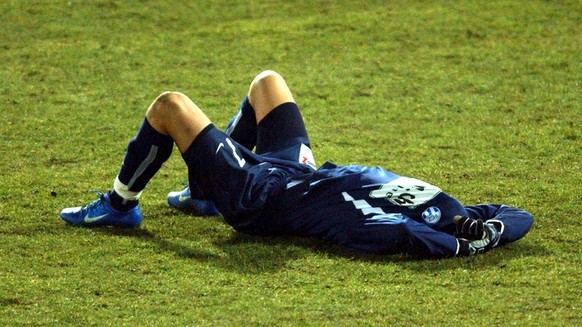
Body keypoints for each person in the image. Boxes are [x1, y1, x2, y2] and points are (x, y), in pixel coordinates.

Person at [60, 70, 533, 258]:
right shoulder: (454, 208)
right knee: (267, 83)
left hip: (261, 198)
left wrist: (457, 247)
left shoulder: (389, 224)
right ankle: (203, 194)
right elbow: (519, 217)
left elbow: (401, 236)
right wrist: (484, 230)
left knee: (170, 105)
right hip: (303, 171)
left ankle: (121, 205)